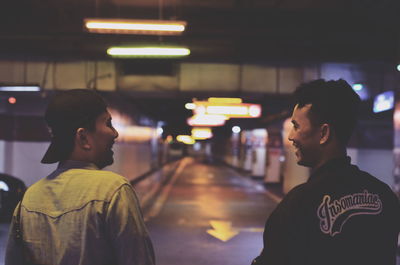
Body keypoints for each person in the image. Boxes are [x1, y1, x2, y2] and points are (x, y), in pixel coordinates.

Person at [252, 79, 400, 265]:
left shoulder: (298, 204)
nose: (291, 136)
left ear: (323, 134)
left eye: (296, 126)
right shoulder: (385, 196)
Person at [5, 89, 155, 265]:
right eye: (108, 123)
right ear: (83, 137)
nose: (115, 133)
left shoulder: (29, 198)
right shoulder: (113, 190)